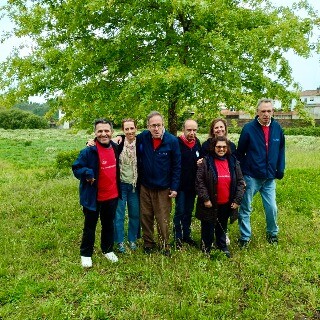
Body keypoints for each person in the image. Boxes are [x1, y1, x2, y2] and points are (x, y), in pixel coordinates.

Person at [236, 98, 285, 247]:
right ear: (257, 112)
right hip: (251, 176)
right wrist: (243, 173)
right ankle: (245, 237)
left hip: (269, 177)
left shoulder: (277, 128)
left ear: (273, 111)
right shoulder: (248, 129)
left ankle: (272, 234)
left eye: (269, 111)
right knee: (246, 207)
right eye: (263, 111)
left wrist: (280, 168)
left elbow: (281, 150)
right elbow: (240, 153)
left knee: (272, 207)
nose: (266, 114)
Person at [72, 119, 121, 267]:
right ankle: (86, 254)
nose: (103, 134)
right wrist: (87, 172)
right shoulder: (88, 151)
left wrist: (121, 136)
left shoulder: (115, 147)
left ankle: (107, 250)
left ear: (111, 132)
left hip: (111, 195)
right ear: (95, 133)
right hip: (93, 197)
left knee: (108, 225)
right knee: (90, 226)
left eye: (106, 131)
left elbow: (129, 137)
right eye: (100, 131)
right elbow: (76, 168)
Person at [136, 111, 181, 256]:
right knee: (146, 216)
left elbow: (177, 165)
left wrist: (174, 187)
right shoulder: (143, 137)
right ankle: (148, 243)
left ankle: (164, 245)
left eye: (159, 125)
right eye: (153, 126)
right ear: (148, 126)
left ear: (163, 125)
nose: (156, 128)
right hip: (145, 186)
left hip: (163, 188)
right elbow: (128, 139)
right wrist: (119, 136)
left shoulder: (172, 141)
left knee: (163, 219)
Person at [195, 136, 245, 258]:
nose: (221, 149)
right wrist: (205, 198)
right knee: (208, 225)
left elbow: (240, 181)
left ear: (227, 148)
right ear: (213, 147)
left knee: (222, 225)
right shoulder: (206, 162)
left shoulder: (233, 162)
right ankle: (206, 247)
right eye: (218, 147)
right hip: (210, 202)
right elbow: (199, 181)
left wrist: (237, 200)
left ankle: (222, 245)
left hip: (226, 202)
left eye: (224, 147)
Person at [173, 119, 201, 249]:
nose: (192, 133)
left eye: (194, 130)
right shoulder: (177, 143)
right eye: (189, 130)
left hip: (192, 186)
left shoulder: (197, 143)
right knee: (180, 211)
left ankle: (187, 235)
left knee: (189, 211)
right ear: (183, 129)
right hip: (180, 186)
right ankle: (177, 237)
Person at [114, 118, 140, 253]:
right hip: (121, 185)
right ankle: (119, 241)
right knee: (118, 215)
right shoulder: (118, 143)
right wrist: (90, 142)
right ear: (123, 131)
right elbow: (101, 143)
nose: (130, 131)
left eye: (132, 128)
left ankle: (132, 239)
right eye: (126, 129)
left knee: (135, 214)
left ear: (136, 128)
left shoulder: (141, 143)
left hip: (135, 186)